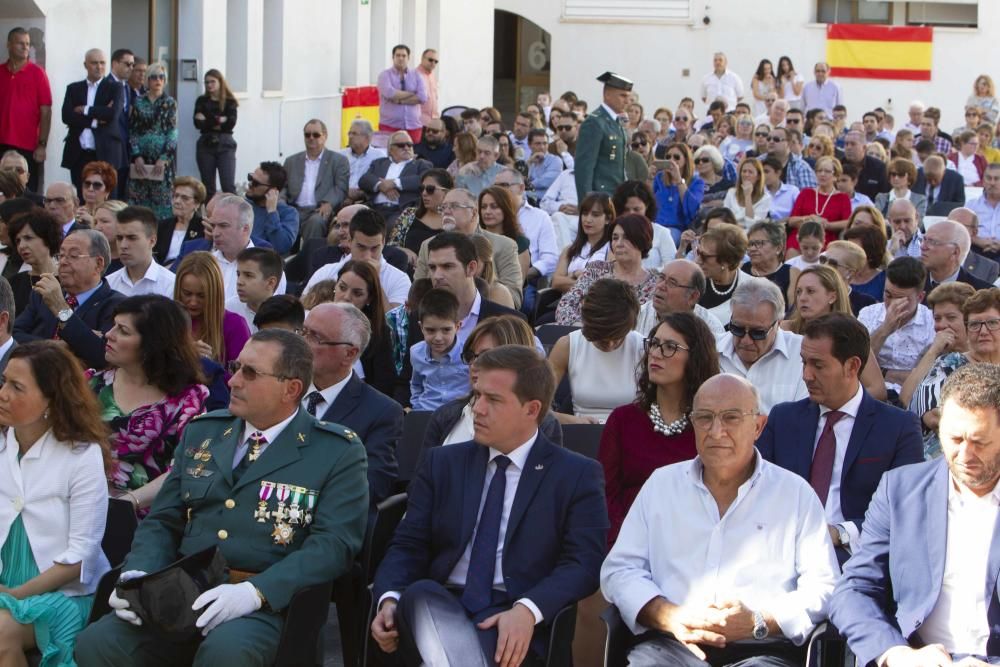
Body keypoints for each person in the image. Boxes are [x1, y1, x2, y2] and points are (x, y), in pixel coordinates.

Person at [77, 329, 369, 666]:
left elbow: (334, 545)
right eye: (235, 366)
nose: (232, 381)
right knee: (99, 643)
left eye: (250, 373)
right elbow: (164, 518)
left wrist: (256, 592)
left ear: (291, 389)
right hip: (180, 589)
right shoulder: (206, 431)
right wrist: (139, 573)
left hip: (263, 604)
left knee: (226, 655)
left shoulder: (335, 451)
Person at [370, 344, 608, 667]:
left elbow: (584, 562)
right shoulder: (444, 463)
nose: (477, 409)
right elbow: (409, 543)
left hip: (512, 614)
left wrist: (528, 609)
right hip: (439, 605)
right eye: (476, 395)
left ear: (532, 409)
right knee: (420, 594)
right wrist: (390, 598)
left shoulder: (574, 475)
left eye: (493, 400)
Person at [601, 373, 838, 667]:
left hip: (761, 651)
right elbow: (620, 570)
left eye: (731, 418)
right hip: (669, 646)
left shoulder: (795, 495)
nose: (716, 431)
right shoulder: (661, 485)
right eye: (704, 418)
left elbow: (825, 588)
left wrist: (758, 620)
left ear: (758, 426)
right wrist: (667, 614)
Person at [829, 362, 1000, 666]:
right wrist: (895, 653)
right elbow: (854, 589)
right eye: (955, 439)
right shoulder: (901, 490)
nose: (964, 455)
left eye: (979, 442)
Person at [758, 313, 922, 564]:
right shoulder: (783, 420)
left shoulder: (898, 427)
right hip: (781, 552)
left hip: (858, 557)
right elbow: (757, 491)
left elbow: (906, 509)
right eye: (804, 363)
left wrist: (840, 533)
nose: (806, 375)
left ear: (852, 366)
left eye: (818, 365)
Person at [0, 340, 111, 665]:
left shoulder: (81, 455)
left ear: (51, 399)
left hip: (61, 593)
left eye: (17, 387)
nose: (3, 393)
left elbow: (80, 558)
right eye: (4, 381)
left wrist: (14, 596)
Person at [90, 294, 209, 512]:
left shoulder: (189, 399)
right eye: (113, 326)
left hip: (149, 517)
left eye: (123, 331)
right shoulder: (92, 384)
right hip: (82, 506)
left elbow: (187, 466)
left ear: (153, 344)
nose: (109, 334)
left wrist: (126, 504)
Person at [300, 302, 400, 507]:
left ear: (349, 354)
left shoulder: (381, 412)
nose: (302, 343)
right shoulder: (282, 389)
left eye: (315, 337)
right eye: (302, 332)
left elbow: (372, 485)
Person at [421, 315, 561, 451]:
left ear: (518, 359)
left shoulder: (543, 424)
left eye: (487, 357)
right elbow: (424, 473)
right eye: (471, 356)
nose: (474, 365)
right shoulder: (445, 415)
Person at [14, 228, 124, 369]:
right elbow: (13, 335)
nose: (63, 262)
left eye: (73, 256)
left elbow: (101, 356)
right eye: (61, 255)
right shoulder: (42, 293)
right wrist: (55, 346)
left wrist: (60, 308)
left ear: (98, 264)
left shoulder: (116, 305)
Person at [551, 278, 644, 423]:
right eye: (602, 339)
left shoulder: (643, 347)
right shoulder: (566, 346)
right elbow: (537, 406)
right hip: (582, 434)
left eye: (619, 337)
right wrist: (571, 421)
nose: (611, 344)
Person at [899, 282, 976, 459]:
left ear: (969, 319)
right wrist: (934, 351)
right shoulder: (931, 354)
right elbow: (906, 399)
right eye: (937, 318)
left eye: (951, 317)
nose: (941, 325)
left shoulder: (982, 356)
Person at [414, 189, 524, 308]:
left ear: (474, 212)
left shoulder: (504, 245)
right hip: (440, 315)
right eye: (443, 207)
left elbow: (514, 299)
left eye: (454, 206)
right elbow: (417, 293)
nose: (446, 211)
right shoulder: (428, 245)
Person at [718, 276, 809, 414]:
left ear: (778, 324)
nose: (746, 340)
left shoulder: (802, 354)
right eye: (737, 329)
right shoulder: (712, 350)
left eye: (758, 333)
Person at [556, 214, 658, 325]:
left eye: (626, 238)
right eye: (615, 238)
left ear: (643, 240)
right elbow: (566, 304)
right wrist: (582, 328)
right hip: (586, 333)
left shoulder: (655, 283)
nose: (618, 244)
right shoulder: (597, 270)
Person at [303, 207, 412, 308]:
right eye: (361, 247)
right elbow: (303, 311)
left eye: (374, 248)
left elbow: (395, 326)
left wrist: (376, 281)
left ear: (383, 242)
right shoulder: (326, 272)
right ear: (349, 241)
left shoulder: (399, 279)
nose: (367, 256)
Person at [858, 256, 935, 390]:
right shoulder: (868, 314)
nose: (893, 304)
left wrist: (884, 373)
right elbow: (858, 362)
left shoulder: (932, 322)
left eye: (901, 299)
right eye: (888, 295)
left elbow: (927, 377)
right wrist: (885, 329)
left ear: (920, 297)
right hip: (872, 393)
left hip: (913, 395)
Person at [324, 259, 396, 398]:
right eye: (342, 287)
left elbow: (384, 383)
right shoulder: (315, 320)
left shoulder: (379, 332)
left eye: (357, 293)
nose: (346, 297)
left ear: (369, 299)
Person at [174, 251, 250, 367]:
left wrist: (209, 366)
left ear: (215, 293)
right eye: (187, 293)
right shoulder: (167, 322)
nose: (193, 302)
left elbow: (241, 379)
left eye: (202, 296)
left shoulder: (234, 325)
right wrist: (185, 355)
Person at [0, 28, 51, 193]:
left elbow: (46, 111)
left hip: (28, 146)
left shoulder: (38, 73)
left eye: (28, 44)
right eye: (20, 43)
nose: (25, 47)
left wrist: (42, 145)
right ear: (9, 44)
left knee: (27, 192)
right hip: (1, 142)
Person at [282, 119, 350, 241]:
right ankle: (283, 259)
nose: (311, 138)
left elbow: (340, 188)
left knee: (316, 222)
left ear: (325, 136)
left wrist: (329, 203)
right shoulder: (291, 161)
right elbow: (283, 186)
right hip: (293, 208)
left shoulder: (338, 161)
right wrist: (280, 202)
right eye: (307, 135)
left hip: (319, 210)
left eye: (316, 135)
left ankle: (310, 258)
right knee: (279, 219)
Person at [127, 63, 176, 220]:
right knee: (139, 203)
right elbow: (132, 130)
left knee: (162, 202)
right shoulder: (138, 102)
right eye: (153, 77)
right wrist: (136, 155)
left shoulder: (169, 103)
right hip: (141, 158)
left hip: (161, 160)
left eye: (161, 77)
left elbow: (172, 132)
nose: (158, 80)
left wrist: (164, 158)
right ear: (147, 80)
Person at [409, 288, 468, 411]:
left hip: (458, 414)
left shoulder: (469, 353)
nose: (438, 338)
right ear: (421, 327)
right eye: (430, 330)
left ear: (457, 326)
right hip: (426, 412)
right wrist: (416, 406)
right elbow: (416, 384)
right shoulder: (416, 353)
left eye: (446, 330)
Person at [574, 72, 631, 197]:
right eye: (623, 96)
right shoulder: (594, 122)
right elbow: (584, 167)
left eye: (628, 96)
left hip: (616, 195)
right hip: (599, 197)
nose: (627, 101)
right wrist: (586, 202)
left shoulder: (616, 121)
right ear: (608, 95)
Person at [359, 130, 433, 228]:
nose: (406, 148)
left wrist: (395, 183)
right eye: (401, 145)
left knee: (392, 226)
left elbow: (425, 180)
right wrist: (381, 186)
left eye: (409, 145)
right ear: (390, 149)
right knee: (358, 222)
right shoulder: (379, 163)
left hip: (402, 209)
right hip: (374, 208)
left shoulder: (420, 164)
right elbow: (364, 180)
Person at [61, 49, 109, 198]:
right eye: (94, 63)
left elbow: (110, 115)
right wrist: (95, 120)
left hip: (101, 152)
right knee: (79, 196)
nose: (99, 67)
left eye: (102, 63)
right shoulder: (74, 89)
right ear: (85, 65)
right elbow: (67, 116)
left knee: (100, 197)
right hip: (78, 153)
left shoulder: (112, 88)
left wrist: (86, 111)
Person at [105, 205, 175, 298]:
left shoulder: (171, 285)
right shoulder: (109, 284)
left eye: (132, 238)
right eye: (119, 238)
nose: (123, 245)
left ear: (152, 241)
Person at [387, 168, 452, 265]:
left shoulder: (454, 220)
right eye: (422, 189)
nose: (424, 193)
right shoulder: (409, 214)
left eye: (430, 189)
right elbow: (391, 246)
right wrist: (403, 251)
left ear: (446, 192)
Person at [551, 193, 612, 294]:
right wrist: (577, 274)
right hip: (566, 305)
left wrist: (571, 276)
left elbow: (604, 286)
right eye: (584, 214)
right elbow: (556, 282)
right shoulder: (570, 249)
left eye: (595, 215)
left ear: (608, 219)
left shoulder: (612, 249)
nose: (588, 220)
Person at [787, 156, 851, 250]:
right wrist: (809, 218)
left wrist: (827, 224)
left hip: (826, 238)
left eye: (827, 171)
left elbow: (847, 223)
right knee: (792, 249)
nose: (822, 174)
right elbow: (791, 221)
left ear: (836, 176)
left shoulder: (843, 198)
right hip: (802, 235)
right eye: (819, 171)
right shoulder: (806, 193)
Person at [193, 68, 238, 198]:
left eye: (212, 81)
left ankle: (233, 216)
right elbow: (198, 123)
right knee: (207, 187)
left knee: (228, 185)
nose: (209, 85)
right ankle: (210, 216)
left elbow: (231, 123)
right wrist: (219, 120)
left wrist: (208, 119)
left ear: (220, 82)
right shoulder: (201, 101)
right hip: (205, 143)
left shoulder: (230, 102)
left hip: (225, 143)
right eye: (206, 82)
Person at [8, 208, 60, 316]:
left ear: (48, 238)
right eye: (18, 241)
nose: (21, 246)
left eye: (28, 238)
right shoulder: (13, 283)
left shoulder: (68, 281)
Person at [695, 223, 748, 324]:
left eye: (704, 256)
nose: (698, 260)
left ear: (727, 260)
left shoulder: (750, 288)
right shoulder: (692, 281)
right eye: (698, 252)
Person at [651, 143, 703, 244]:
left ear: (686, 159)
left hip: (676, 228)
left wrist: (679, 180)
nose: (672, 160)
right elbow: (647, 201)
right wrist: (649, 178)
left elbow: (692, 209)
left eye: (676, 157)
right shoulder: (659, 178)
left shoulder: (696, 182)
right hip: (655, 225)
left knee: (666, 240)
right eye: (668, 157)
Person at [921, 219, 993, 292]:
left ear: (955, 252)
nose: (923, 247)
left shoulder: (980, 294)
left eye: (933, 242)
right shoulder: (912, 278)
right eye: (924, 239)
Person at [244, 161, 299, 255]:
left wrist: (272, 212)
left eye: (256, 183)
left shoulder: (288, 213)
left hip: (264, 265)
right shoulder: (243, 205)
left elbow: (281, 247)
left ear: (272, 190)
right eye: (250, 178)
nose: (250, 184)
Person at [376, 44, 427, 144]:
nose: (400, 58)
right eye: (398, 55)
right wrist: (412, 93)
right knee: (389, 154)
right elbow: (390, 93)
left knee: (412, 154)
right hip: (390, 125)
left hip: (413, 125)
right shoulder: (385, 75)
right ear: (393, 57)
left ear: (408, 58)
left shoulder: (417, 75)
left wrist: (399, 100)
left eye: (404, 56)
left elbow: (422, 97)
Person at [225, 247, 282, 333]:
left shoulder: (285, 317)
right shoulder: (227, 309)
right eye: (238, 274)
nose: (239, 282)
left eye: (248, 275)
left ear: (271, 283)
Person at [155, 176, 207, 265]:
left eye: (185, 198)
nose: (177, 201)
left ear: (197, 204)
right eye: (176, 196)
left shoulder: (203, 228)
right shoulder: (161, 226)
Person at [339, 119, 387, 204]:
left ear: (367, 137)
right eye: (349, 133)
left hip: (366, 199)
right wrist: (346, 193)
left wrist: (361, 194)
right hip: (341, 197)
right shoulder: (340, 155)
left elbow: (380, 182)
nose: (350, 136)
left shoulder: (379, 156)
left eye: (354, 133)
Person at [948, 207, 1000, 284]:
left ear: (974, 232)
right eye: (948, 224)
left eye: (959, 226)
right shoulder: (930, 257)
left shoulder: (988, 267)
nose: (952, 230)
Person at [742, 221, 792, 298]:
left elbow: (795, 309)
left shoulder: (791, 273)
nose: (752, 249)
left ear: (778, 248)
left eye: (759, 243)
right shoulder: (742, 269)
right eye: (750, 244)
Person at [722, 157, 770, 229]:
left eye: (750, 172)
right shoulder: (731, 192)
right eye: (744, 171)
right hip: (729, 231)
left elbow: (752, 224)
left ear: (758, 177)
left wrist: (747, 196)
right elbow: (724, 217)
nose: (746, 174)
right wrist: (739, 226)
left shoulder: (765, 198)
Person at [74, 161, 116, 228]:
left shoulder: (112, 215)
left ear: (107, 191)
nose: (90, 189)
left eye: (97, 185)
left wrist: (93, 223)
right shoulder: (74, 212)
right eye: (87, 184)